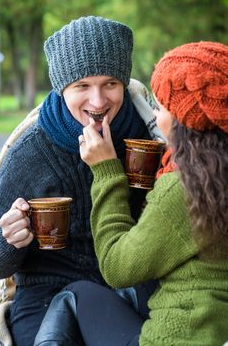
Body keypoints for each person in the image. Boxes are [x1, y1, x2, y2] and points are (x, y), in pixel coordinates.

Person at [35, 41, 228, 345]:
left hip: (185, 335)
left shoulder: (185, 188)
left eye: (161, 106)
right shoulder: (213, 175)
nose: (153, 112)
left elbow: (116, 266)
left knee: (76, 295)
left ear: (183, 121)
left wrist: (106, 170)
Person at [0, 16, 161, 345]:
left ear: (124, 83)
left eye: (110, 84)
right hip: (45, 292)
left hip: (130, 284)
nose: (98, 102)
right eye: (82, 86)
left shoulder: (147, 137)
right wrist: (8, 240)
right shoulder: (32, 151)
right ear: (62, 88)